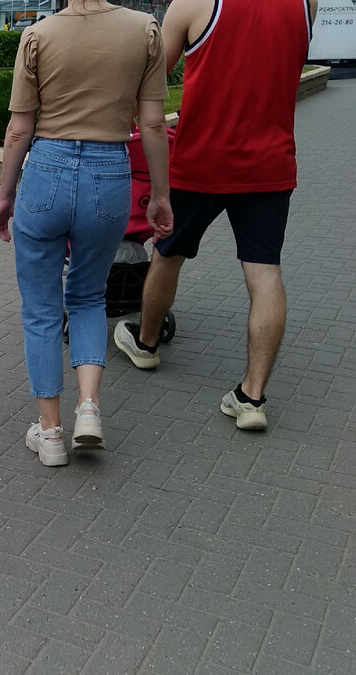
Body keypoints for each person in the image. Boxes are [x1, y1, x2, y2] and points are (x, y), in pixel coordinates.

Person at [113, 0, 317, 432]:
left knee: (168, 255)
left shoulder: (193, 3)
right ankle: (252, 397)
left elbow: (151, 82)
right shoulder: (305, 3)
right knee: (265, 273)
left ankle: (147, 343)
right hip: (270, 164)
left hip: (198, 162)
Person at [0, 0, 173, 467]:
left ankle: (50, 433)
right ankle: (88, 409)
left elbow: (18, 129)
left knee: (41, 308)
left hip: (46, 169)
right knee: (90, 295)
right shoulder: (145, 30)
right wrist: (160, 194)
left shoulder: (39, 35)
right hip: (109, 172)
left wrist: (6, 195)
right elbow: (152, 122)